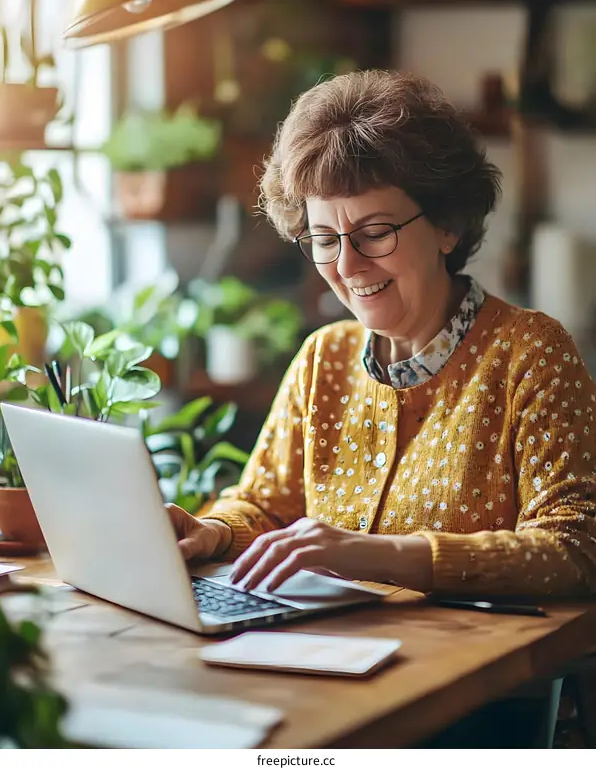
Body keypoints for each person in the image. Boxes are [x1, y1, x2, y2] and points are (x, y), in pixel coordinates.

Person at [167, 69, 596, 599]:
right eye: (325, 238)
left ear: (447, 224)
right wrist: (214, 532)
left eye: (375, 233)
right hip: (330, 657)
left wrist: (376, 553)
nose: (347, 265)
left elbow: (575, 550)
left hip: (469, 671)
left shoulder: (529, 354)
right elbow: (264, 506)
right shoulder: (323, 358)